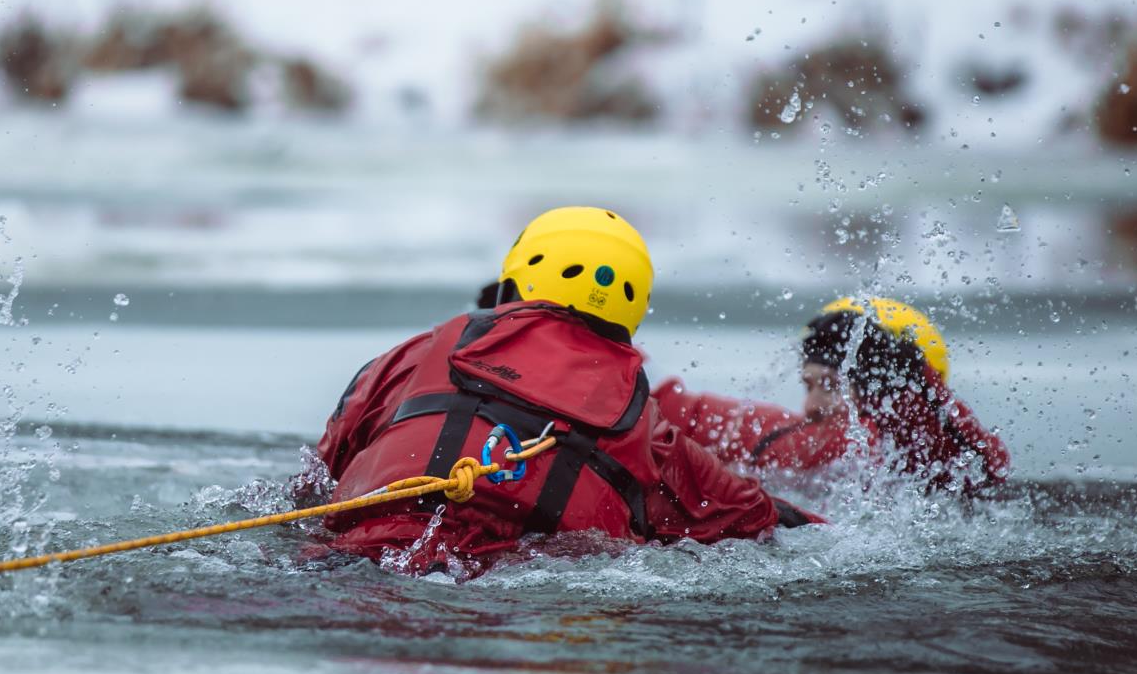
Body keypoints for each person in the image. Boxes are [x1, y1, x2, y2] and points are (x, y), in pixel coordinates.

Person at [314, 207, 821, 579]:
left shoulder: (414, 356)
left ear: (514, 282)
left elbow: (324, 471)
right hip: (519, 592)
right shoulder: (646, 429)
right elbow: (752, 515)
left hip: (354, 564)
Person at [651, 297, 1010, 494]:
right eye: (808, 386)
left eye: (831, 386)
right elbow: (689, 413)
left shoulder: (921, 455)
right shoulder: (793, 437)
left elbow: (982, 464)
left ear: (891, 389)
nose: (811, 406)